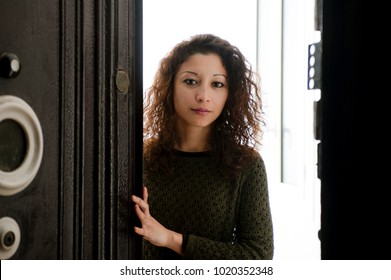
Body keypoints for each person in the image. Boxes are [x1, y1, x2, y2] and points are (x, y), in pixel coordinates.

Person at [132, 34, 273, 259]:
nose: (203, 96)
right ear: (170, 86)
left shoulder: (246, 164)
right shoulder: (141, 157)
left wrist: (171, 239)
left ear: (230, 93)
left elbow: (258, 256)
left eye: (217, 84)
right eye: (191, 81)